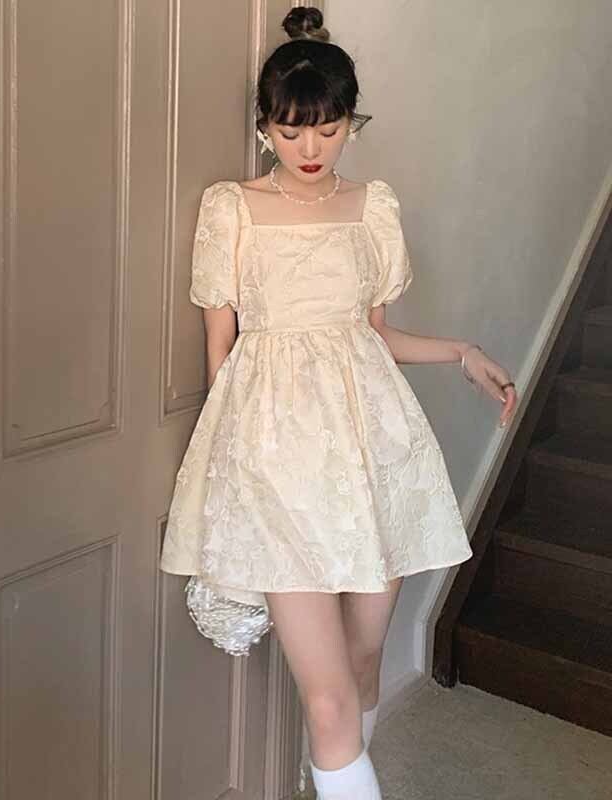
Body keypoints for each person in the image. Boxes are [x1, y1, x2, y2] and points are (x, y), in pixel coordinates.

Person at [159, 7, 518, 799]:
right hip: (280, 467)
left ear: (351, 121)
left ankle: (326, 779)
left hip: (371, 455)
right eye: (290, 131)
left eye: (328, 129)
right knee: (326, 700)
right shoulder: (231, 208)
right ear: (265, 126)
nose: (310, 148)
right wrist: (233, 478)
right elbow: (221, 356)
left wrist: (461, 353)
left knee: (360, 668)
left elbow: (373, 336)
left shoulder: (372, 207)